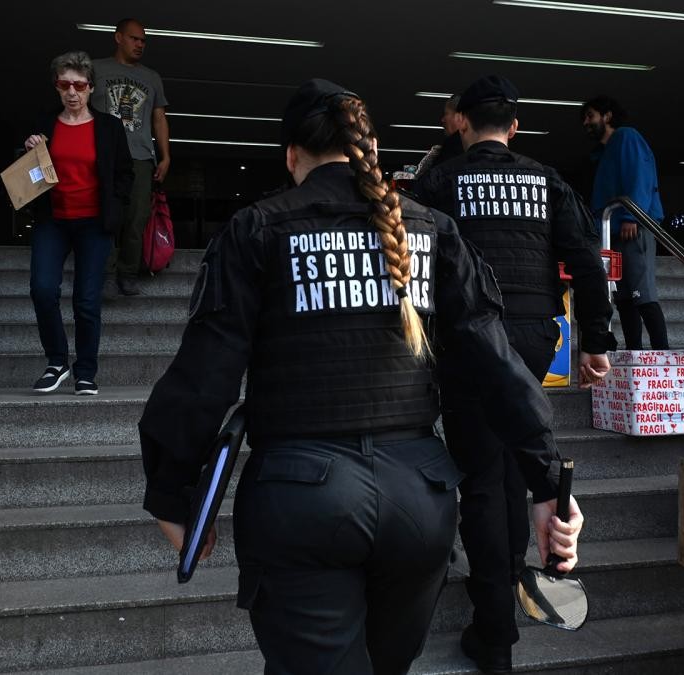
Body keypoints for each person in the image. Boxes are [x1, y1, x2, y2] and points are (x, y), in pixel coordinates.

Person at [138, 78, 583, 675]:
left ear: (292, 156)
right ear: (368, 150)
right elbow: (494, 362)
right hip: (419, 501)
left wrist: (173, 491)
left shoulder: (257, 229)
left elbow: (204, 372)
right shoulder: (429, 229)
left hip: (300, 496)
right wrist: (547, 484)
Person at [412, 75, 614, 673]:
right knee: (512, 468)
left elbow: (413, 256)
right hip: (532, 338)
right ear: (515, 128)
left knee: (481, 476)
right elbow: (585, 260)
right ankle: (504, 607)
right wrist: (595, 341)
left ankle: (494, 630)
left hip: (465, 343)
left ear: (460, 123)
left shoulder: (440, 180)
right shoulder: (546, 179)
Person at [23, 51, 133, 396]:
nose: (72, 92)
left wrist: (115, 211)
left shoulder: (109, 127)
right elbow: (28, 178)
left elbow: (124, 175)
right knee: (42, 290)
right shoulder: (43, 125)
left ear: (90, 88)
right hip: (53, 220)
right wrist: (27, 151)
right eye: (64, 84)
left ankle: (85, 371)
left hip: (93, 223)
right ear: (57, 87)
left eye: (79, 85)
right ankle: (57, 362)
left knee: (86, 301)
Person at [583, 95, 670, 350]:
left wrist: (634, 215)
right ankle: (635, 354)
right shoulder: (603, 153)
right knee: (622, 297)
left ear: (607, 116)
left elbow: (639, 176)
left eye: (590, 116)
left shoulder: (626, 137)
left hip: (632, 226)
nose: (586, 123)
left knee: (642, 293)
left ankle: (661, 355)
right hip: (611, 231)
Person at [91, 18, 170, 296]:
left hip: (140, 156)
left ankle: (127, 272)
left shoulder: (151, 77)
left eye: (143, 41)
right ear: (118, 38)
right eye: (134, 39)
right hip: (104, 156)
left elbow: (159, 118)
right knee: (107, 215)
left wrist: (165, 156)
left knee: (137, 217)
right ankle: (106, 273)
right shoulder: (96, 69)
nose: (140, 45)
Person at [414, 93, 464, 178]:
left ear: (459, 116)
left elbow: (429, 183)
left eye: (446, 113)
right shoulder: (475, 148)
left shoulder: (451, 149)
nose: (443, 119)